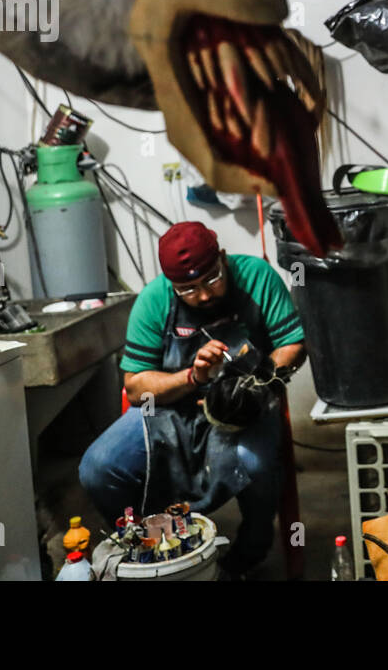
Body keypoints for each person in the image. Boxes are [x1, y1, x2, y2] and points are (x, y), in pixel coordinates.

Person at [79, 221, 305, 577]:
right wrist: (193, 376)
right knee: (99, 466)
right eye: (187, 289)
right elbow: (136, 386)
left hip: (243, 411)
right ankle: (158, 548)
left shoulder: (257, 277)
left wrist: (254, 381)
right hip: (169, 412)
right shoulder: (154, 300)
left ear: (223, 259)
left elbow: (293, 345)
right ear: (172, 285)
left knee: (256, 464)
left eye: (212, 280)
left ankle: (248, 553)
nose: (202, 296)